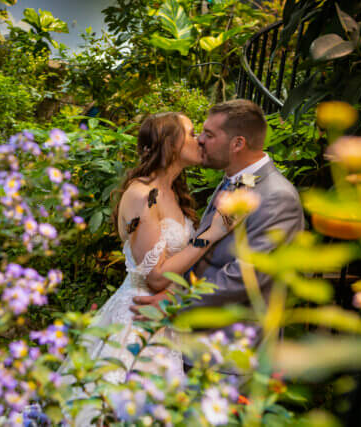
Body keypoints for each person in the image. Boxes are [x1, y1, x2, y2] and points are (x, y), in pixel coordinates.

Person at [60, 112, 231, 425]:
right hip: (138, 317)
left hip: (164, 319)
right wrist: (214, 232)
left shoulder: (172, 194)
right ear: (170, 143)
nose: (199, 140)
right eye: (191, 133)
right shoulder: (141, 195)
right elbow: (155, 276)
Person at [131, 100, 305, 322]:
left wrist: (176, 299)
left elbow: (246, 275)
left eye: (209, 135)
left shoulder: (277, 196)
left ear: (237, 144)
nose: (200, 140)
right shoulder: (233, 180)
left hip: (231, 341)